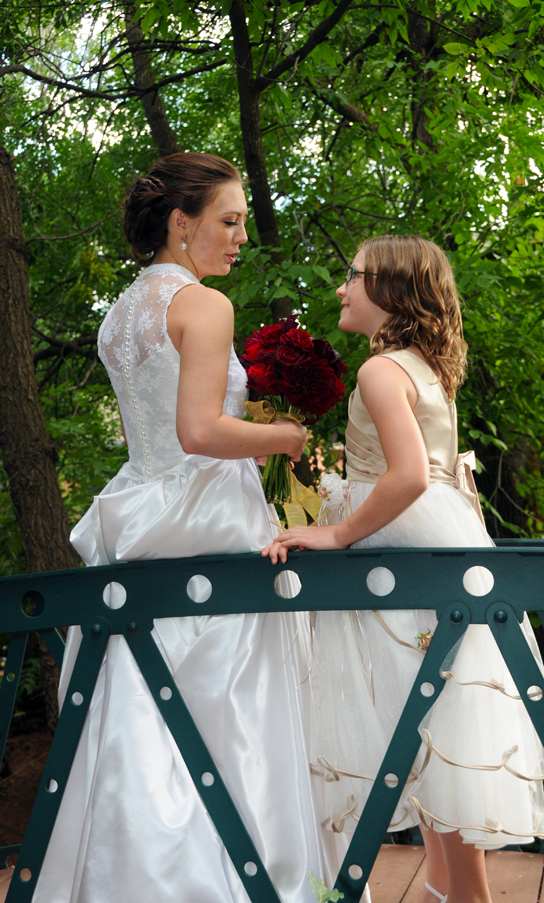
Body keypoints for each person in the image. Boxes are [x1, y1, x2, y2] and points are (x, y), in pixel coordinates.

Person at [34, 152, 345, 903]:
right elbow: (201, 429)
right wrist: (287, 438)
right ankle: (247, 879)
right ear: (182, 223)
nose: (240, 236)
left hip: (138, 506)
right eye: (228, 221)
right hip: (205, 516)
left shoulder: (121, 312)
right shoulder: (204, 306)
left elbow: (159, 432)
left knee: (136, 699)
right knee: (232, 706)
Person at [262, 234, 544, 903]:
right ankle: (448, 889)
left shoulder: (379, 371)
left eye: (352, 276)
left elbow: (409, 474)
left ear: (389, 291)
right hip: (439, 542)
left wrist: (334, 533)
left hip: (407, 550)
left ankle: (461, 894)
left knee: (417, 713)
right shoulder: (421, 365)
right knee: (432, 719)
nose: (340, 287)